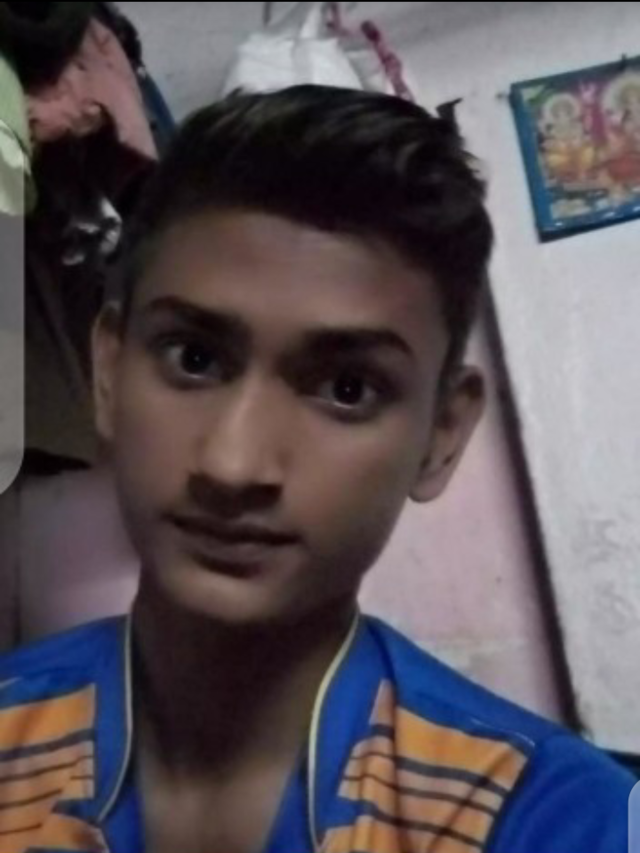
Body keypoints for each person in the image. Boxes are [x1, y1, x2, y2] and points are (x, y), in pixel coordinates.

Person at [0, 86, 634, 853]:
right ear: (108, 371)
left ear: (441, 433)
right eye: (194, 358)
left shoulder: (556, 820)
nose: (233, 465)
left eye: (347, 388)